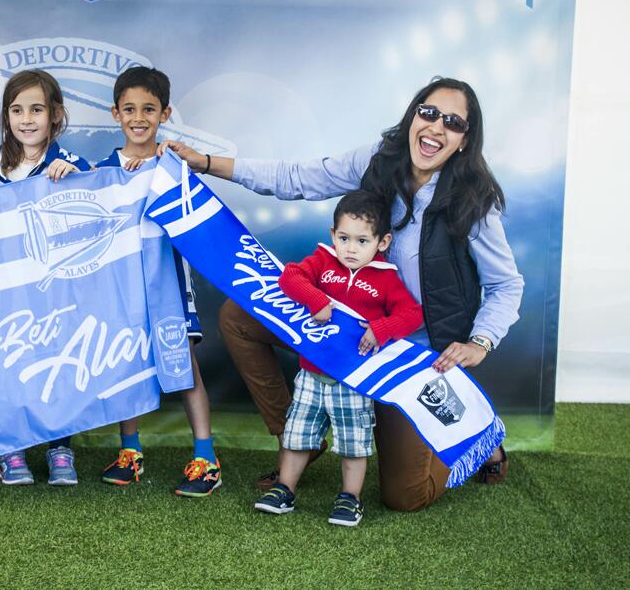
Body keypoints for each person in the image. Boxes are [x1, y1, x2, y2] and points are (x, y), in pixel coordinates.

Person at [165, 77, 523, 511]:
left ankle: (479, 442)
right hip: (345, 329)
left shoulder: (473, 201)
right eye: (428, 113)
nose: (435, 128)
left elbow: (506, 285)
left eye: (453, 122)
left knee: (404, 497)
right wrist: (205, 162)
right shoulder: (378, 161)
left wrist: (480, 342)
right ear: (413, 115)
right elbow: (295, 178)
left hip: (410, 355)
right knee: (238, 318)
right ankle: (300, 437)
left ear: (465, 140)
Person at [0, 68, 91, 486]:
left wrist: (77, 180)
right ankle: (10, 448)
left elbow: (99, 203)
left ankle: (60, 446)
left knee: (55, 367)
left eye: (37, 109)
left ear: (56, 114)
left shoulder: (70, 164)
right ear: (6, 116)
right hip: (4, 293)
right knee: (8, 366)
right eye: (16, 110)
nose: (26, 119)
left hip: (55, 291)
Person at [254, 191, 423, 525]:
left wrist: (383, 327)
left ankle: (350, 498)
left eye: (362, 241)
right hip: (312, 373)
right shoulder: (323, 261)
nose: (351, 248)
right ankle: (285, 489)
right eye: (344, 238)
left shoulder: (385, 278)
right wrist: (315, 299)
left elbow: (412, 314)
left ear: (383, 241)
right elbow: (290, 276)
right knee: (297, 434)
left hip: (353, 379)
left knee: (353, 442)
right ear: (333, 235)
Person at [94, 66, 221, 497]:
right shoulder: (104, 171)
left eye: (148, 109)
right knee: (126, 365)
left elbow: (198, 221)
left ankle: (205, 456)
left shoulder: (174, 167)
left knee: (182, 364)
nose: (138, 117)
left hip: (168, 284)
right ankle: (130, 450)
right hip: (122, 287)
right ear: (115, 114)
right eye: (129, 109)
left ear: (164, 112)